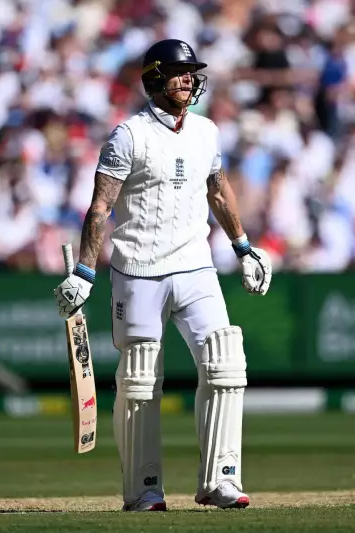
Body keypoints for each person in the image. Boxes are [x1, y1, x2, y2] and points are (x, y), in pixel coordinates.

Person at [53, 40, 273, 512]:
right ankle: (144, 490)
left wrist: (243, 247)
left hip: (197, 267)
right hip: (138, 272)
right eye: (177, 72)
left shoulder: (207, 131)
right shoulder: (128, 135)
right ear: (153, 78)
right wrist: (86, 273)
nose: (187, 80)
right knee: (139, 380)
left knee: (225, 360)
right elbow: (101, 208)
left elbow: (218, 191)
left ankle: (221, 479)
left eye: (191, 72)